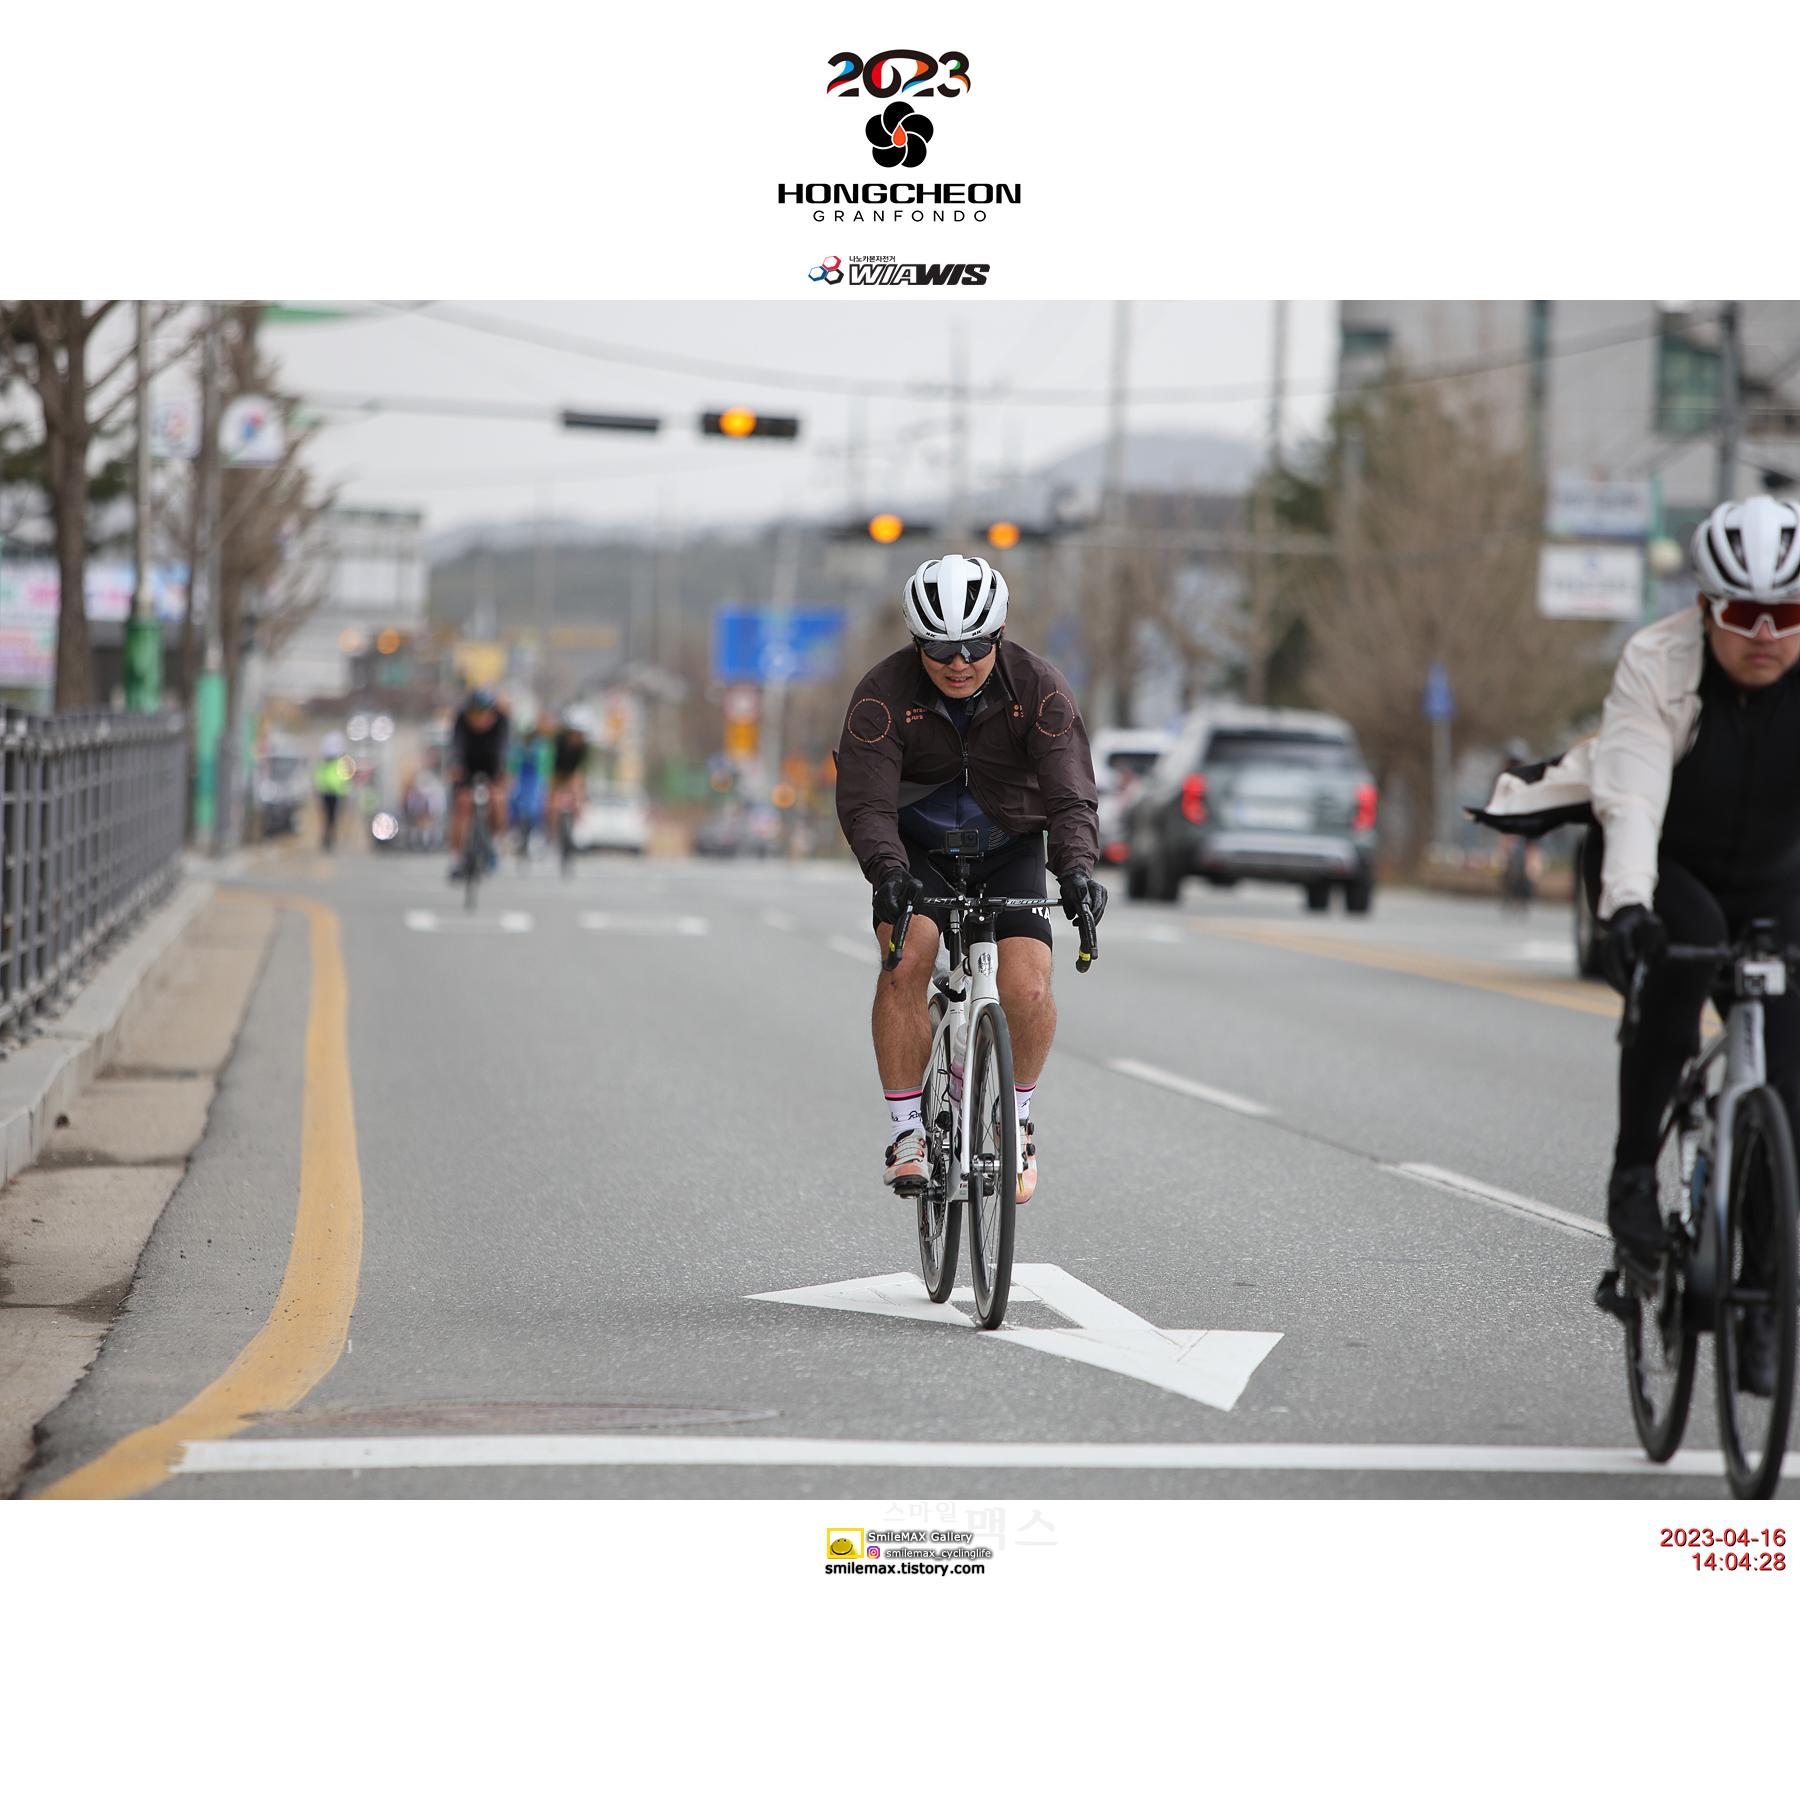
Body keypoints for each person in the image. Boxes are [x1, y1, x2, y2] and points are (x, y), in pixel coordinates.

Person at [1583, 495, 1800, 1396]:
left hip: (1779, 879)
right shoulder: (1657, 661)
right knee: (1687, 950)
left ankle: (1765, 1293)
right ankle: (1635, 1176)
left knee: (1789, 1081)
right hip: (1669, 865)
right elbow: (1631, 794)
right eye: (1743, 613)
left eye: (1786, 612)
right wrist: (1629, 906)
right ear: (1707, 607)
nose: (1765, 634)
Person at [835, 553, 1105, 1204]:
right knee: (906, 962)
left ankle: (1016, 1119)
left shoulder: (1039, 688)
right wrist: (887, 871)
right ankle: (907, 1131)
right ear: (916, 642)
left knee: (1029, 988)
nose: (959, 662)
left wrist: (1075, 869)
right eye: (939, 648)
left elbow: (1070, 794)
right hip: (916, 852)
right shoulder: (881, 695)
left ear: (999, 636)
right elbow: (866, 802)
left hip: (1009, 846)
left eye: (976, 646)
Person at [447, 687, 510, 878]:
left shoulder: (501, 722)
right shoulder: (461, 721)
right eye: (475, 714)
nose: (480, 720)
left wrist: (501, 773)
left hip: (491, 764)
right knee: (463, 803)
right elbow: (456, 747)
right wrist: (456, 767)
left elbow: (503, 750)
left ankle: (494, 843)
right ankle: (457, 857)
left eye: (484, 715)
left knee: (497, 799)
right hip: (468, 765)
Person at [546, 715, 590, 862]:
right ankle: (551, 834)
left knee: (578, 795)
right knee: (552, 803)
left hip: (572, 773)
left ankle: (577, 830)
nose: (576, 738)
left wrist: (580, 787)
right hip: (557, 772)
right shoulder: (558, 742)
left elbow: (582, 768)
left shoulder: (584, 747)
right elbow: (549, 762)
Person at [313, 733, 352, 852]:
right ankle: (327, 839)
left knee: (332, 818)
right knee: (328, 818)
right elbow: (320, 778)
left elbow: (345, 779)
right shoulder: (326, 764)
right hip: (327, 793)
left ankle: (330, 839)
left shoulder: (337, 763)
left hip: (335, 794)